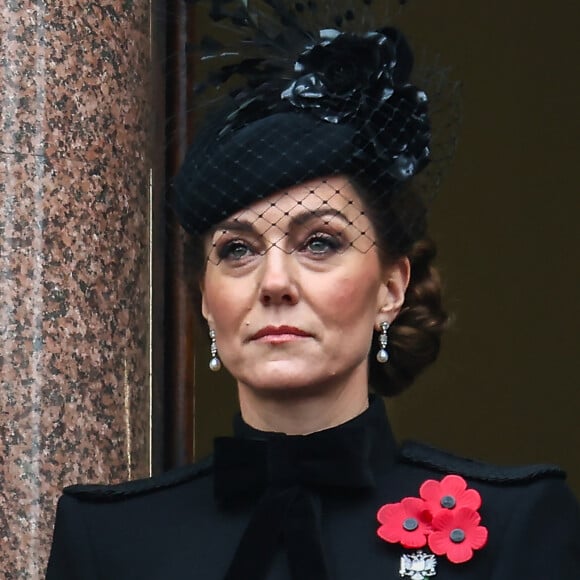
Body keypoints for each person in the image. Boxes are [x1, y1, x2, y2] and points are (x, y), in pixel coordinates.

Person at [46, 2, 580, 579]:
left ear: (390, 288)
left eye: (320, 242)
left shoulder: (514, 526)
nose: (274, 282)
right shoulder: (109, 538)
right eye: (237, 250)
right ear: (205, 299)